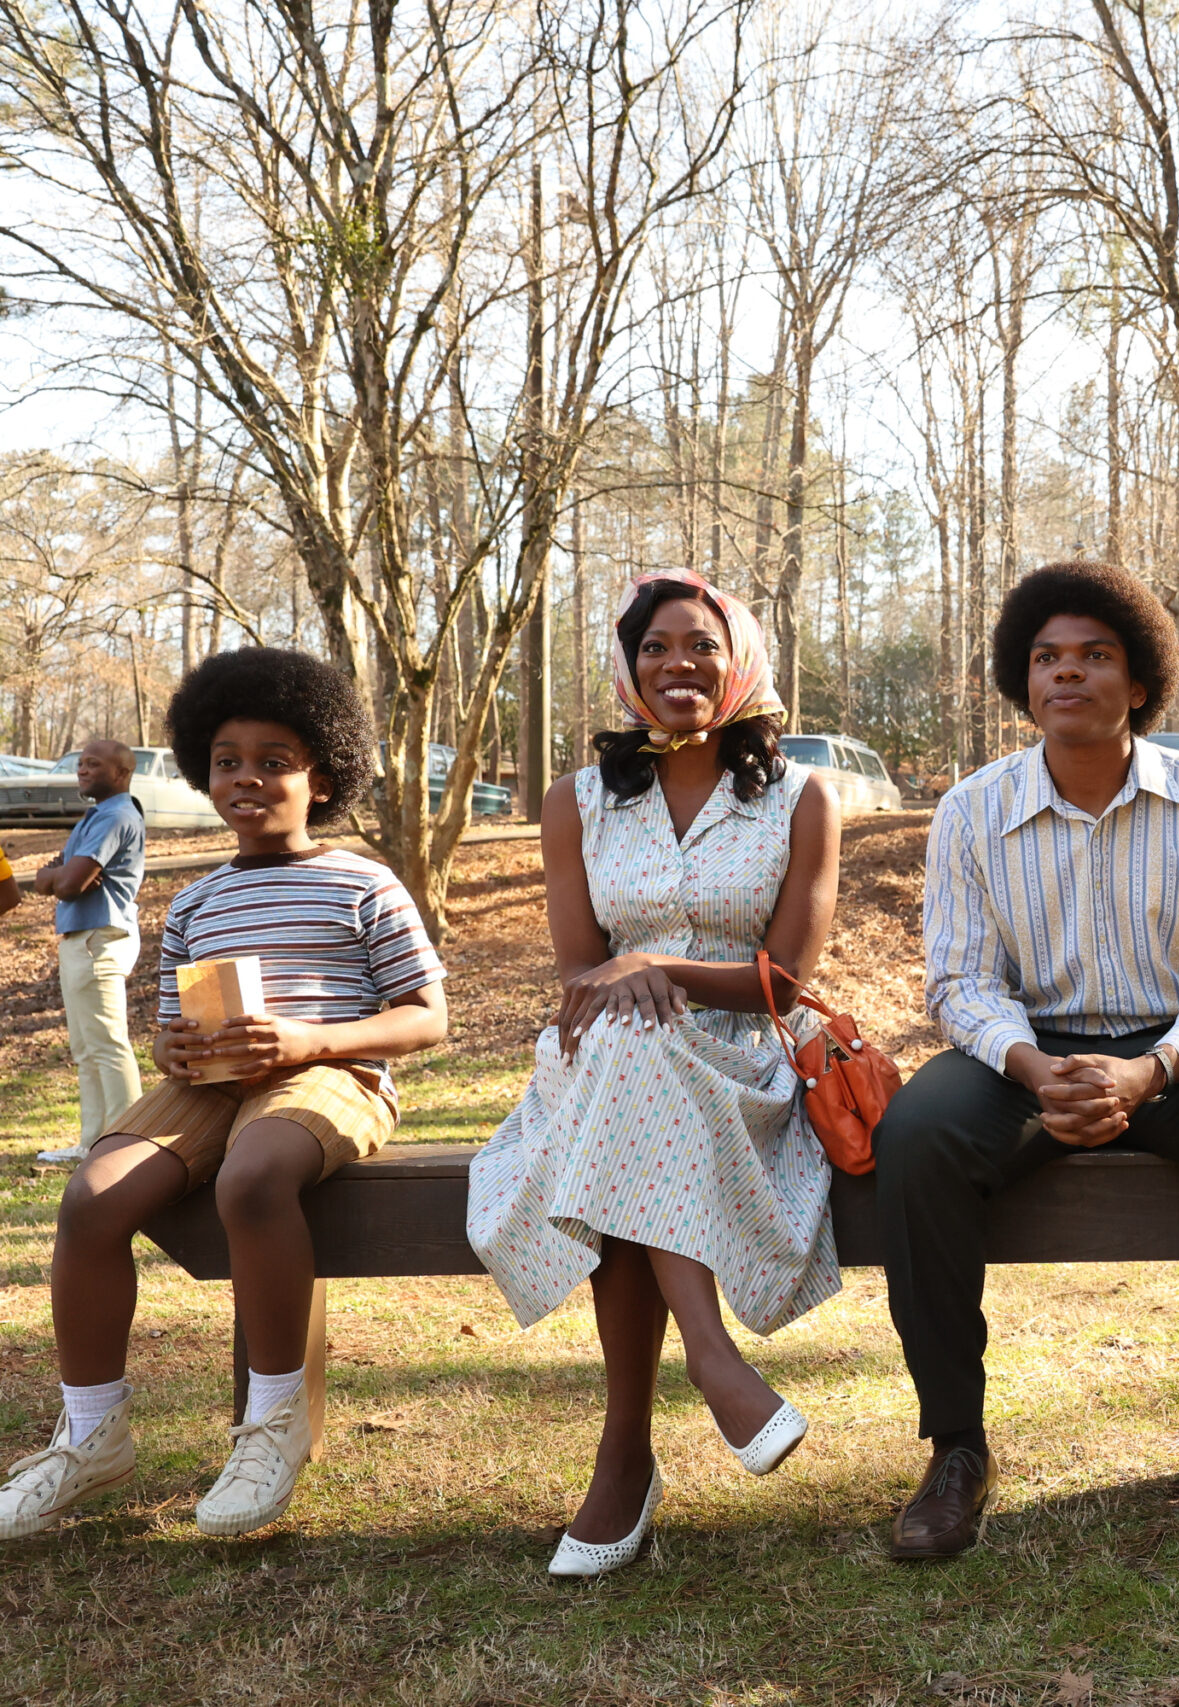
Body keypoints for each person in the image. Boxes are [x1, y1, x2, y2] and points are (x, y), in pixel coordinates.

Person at [875, 561, 1179, 1562]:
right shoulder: (970, 813)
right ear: (1022, 680)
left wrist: (1151, 1071)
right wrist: (1035, 1070)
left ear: (1140, 683)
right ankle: (955, 1447)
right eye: (1046, 659)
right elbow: (958, 983)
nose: (1066, 676)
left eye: (1093, 657)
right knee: (914, 1134)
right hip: (1022, 1058)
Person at [0, 649, 448, 1541]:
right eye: (228, 760)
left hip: (335, 1074)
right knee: (90, 1194)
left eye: (275, 761)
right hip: (209, 1089)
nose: (248, 778)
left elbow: (426, 1015)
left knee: (251, 1179)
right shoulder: (200, 901)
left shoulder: (364, 882)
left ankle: (272, 1426)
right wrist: (172, 1048)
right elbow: (173, 1035)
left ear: (322, 776)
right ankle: (92, 1435)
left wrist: (310, 1040)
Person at [467, 570, 842, 1580]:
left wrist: (659, 966)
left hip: (743, 1067)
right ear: (629, 669)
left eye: (701, 646)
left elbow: (781, 982)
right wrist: (633, 982)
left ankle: (626, 1452)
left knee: (637, 1076)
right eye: (655, 648)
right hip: (602, 1066)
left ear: (740, 664)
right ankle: (713, 1367)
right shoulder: (575, 802)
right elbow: (581, 975)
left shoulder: (802, 798)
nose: (678, 664)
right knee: (630, 1051)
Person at [30, 740, 147, 1166]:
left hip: (99, 938)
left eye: (93, 764)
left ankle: (125, 1140)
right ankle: (93, 1142)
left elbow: (65, 885)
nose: (81, 769)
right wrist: (58, 874)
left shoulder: (116, 815)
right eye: (80, 763)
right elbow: (53, 876)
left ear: (121, 772)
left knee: (107, 1044)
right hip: (82, 938)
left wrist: (59, 876)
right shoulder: (97, 815)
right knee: (86, 1048)